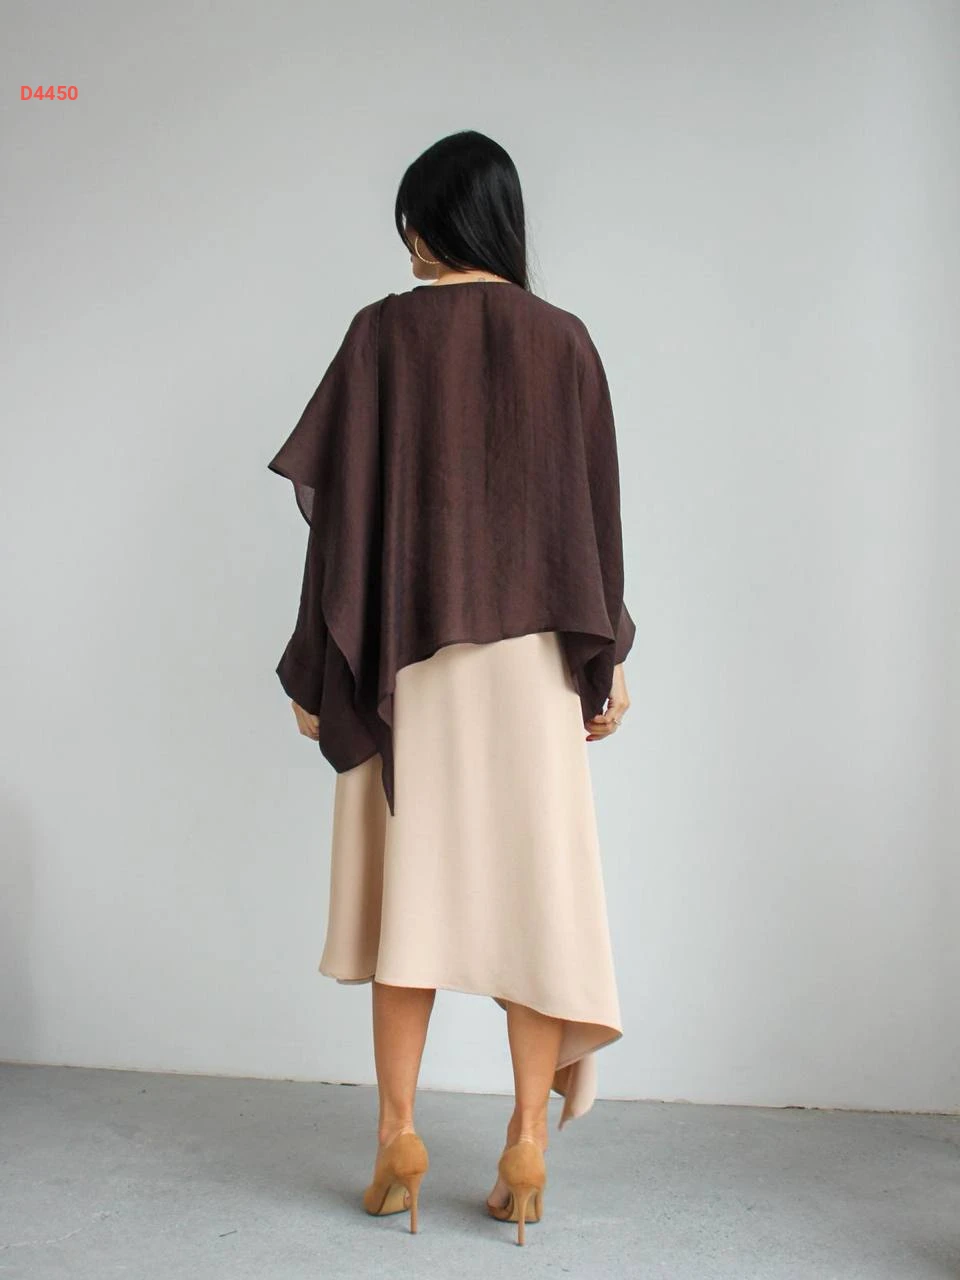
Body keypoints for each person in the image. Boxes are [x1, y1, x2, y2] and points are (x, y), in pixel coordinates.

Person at [268, 129, 635, 1245]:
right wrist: (607, 659)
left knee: (409, 903)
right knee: (535, 897)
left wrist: (316, 662)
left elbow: (335, 524)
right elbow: (596, 518)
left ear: (424, 223)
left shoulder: (380, 334)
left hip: (408, 663)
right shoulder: (564, 341)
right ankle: (525, 1140)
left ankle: (397, 1137)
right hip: (531, 667)